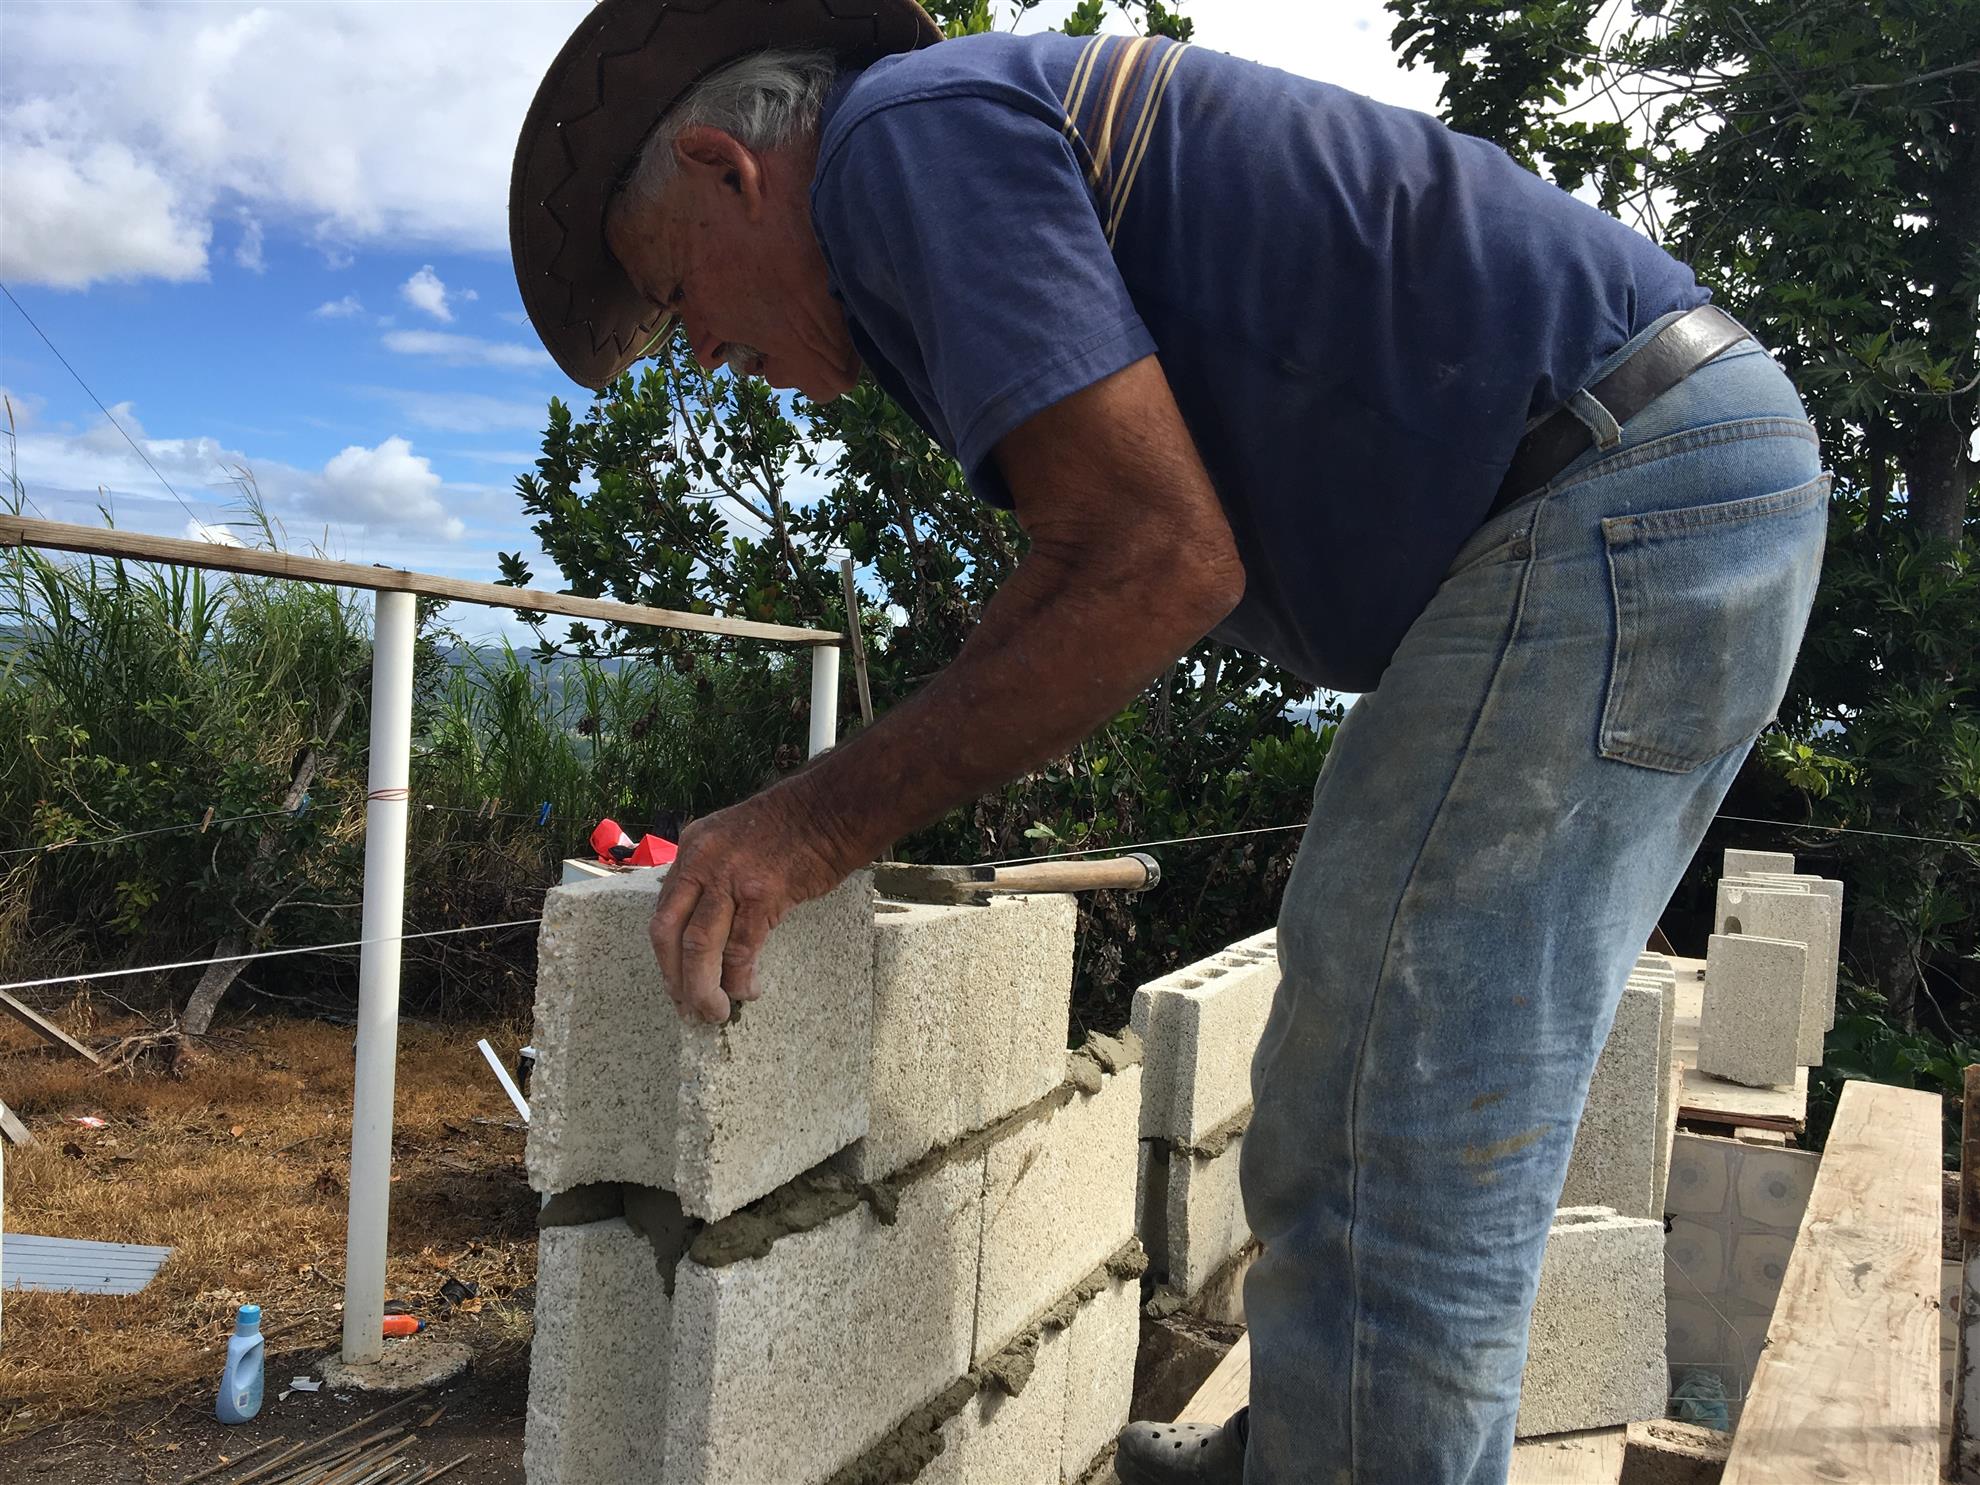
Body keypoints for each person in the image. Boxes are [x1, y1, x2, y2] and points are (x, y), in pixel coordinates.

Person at [509, 3, 1829, 1480]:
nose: (703, 352)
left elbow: (1150, 562)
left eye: (678, 294)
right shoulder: (944, 154)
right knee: (1400, 1072)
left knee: (1392, 1106)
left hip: (1616, 483)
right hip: (1652, 480)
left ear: (724, 167)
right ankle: (1321, 1444)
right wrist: (824, 813)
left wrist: (806, 826)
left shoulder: (896, 140)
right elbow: (1092, 562)